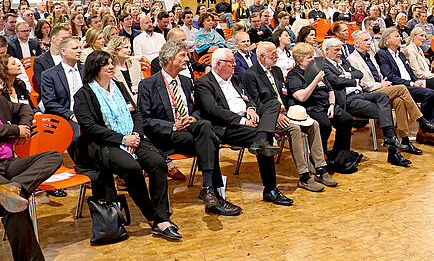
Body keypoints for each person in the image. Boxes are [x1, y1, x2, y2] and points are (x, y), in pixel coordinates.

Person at [72, 50, 180, 240]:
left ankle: (162, 216)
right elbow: (89, 127)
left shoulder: (119, 87)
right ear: (95, 69)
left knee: (158, 162)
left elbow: (135, 113)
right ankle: (153, 217)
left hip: (133, 137)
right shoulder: (84, 94)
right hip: (104, 143)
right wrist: (121, 139)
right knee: (131, 167)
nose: (111, 67)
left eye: (111, 63)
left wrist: (136, 135)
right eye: (106, 64)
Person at [137, 39, 243, 215]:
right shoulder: (148, 85)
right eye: (183, 56)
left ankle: (209, 191)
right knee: (211, 140)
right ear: (169, 58)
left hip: (191, 131)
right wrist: (173, 125)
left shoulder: (186, 82)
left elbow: (197, 110)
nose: (187, 59)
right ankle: (213, 194)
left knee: (205, 129)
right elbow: (145, 120)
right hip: (166, 135)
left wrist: (192, 118)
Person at [194, 48, 299, 202]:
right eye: (231, 62)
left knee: (272, 104)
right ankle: (270, 189)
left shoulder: (235, 79)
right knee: (266, 139)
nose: (235, 65)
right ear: (218, 64)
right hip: (226, 127)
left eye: (234, 62)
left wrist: (251, 109)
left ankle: (261, 139)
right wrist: (242, 121)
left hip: (247, 119)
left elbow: (248, 98)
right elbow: (213, 110)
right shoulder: (204, 83)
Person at [237, 44, 333, 193]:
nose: (277, 56)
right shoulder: (251, 75)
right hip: (267, 118)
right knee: (294, 128)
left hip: (286, 112)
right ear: (262, 57)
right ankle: (304, 176)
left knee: (314, 124)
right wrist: (276, 116)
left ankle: (320, 168)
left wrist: (296, 111)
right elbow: (255, 103)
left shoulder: (276, 70)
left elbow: (285, 95)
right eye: (273, 54)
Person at [347, 31, 434, 153]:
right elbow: (361, 83)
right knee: (401, 88)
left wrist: (384, 81)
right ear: (356, 43)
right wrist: (380, 84)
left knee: (400, 101)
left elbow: (379, 74)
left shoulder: (371, 56)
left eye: (369, 40)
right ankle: (422, 121)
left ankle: (405, 140)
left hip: (382, 88)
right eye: (365, 40)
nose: (369, 43)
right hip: (370, 92)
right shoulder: (352, 59)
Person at [321, 37, 411, 166]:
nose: (339, 52)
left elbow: (359, 74)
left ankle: (390, 140)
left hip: (361, 94)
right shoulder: (324, 65)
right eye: (336, 50)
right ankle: (393, 150)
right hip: (348, 100)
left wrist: (346, 76)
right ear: (326, 51)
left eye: (340, 49)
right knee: (385, 112)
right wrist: (351, 78)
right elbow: (335, 81)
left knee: (383, 98)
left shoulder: (344, 62)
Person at [0, 90, 63, 260]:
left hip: (9, 163)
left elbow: (25, 108)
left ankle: (14, 187)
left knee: (54, 157)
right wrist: (15, 130)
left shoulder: (1, 100)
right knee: (13, 208)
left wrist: (25, 128)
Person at [375, 27, 434, 147]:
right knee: (429, 94)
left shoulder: (401, 55)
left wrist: (416, 81)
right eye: (396, 36)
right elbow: (389, 76)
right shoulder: (382, 54)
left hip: (410, 84)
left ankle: (428, 130)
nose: (400, 38)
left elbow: (409, 73)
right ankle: (424, 128)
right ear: (387, 39)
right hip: (398, 87)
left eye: (399, 36)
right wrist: (411, 83)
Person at [285, 43, 354, 160]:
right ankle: (319, 156)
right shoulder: (293, 75)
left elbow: (330, 90)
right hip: (310, 107)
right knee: (324, 125)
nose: (313, 60)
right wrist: (315, 81)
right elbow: (301, 97)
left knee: (346, 119)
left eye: (313, 57)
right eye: (309, 58)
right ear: (300, 60)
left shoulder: (316, 70)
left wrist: (332, 105)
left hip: (327, 105)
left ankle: (340, 154)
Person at [39, 36, 84, 156]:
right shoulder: (49, 75)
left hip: (89, 113)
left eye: (80, 48)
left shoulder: (86, 70)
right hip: (66, 115)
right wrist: (71, 115)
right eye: (75, 48)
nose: (79, 51)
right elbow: (49, 102)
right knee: (77, 138)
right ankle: (82, 167)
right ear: (63, 51)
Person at [106, 36, 143, 103]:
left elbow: (143, 84)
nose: (129, 50)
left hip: (140, 100)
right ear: (116, 49)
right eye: (126, 47)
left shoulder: (135, 64)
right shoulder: (110, 68)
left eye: (130, 48)